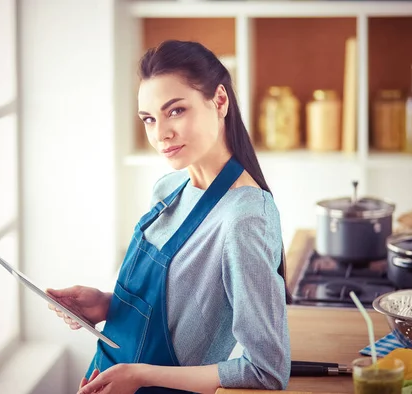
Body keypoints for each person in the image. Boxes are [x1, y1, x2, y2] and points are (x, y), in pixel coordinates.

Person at [46, 39, 291, 394]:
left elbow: (266, 371)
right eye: (149, 118)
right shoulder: (169, 188)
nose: (161, 134)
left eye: (175, 110)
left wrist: (141, 376)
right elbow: (180, 313)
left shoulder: (244, 219)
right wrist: (106, 304)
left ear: (219, 101)